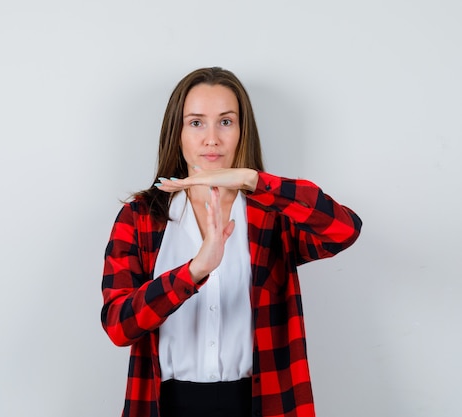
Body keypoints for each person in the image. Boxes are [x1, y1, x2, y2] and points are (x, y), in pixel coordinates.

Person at [100, 67, 362, 417]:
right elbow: (119, 325)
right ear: (176, 132)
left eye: (226, 122)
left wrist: (253, 180)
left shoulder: (271, 216)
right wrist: (193, 271)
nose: (212, 138)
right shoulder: (140, 217)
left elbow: (343, 230)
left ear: (242, 131)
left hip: (261, 403)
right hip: (166, 404)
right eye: (196, 122)